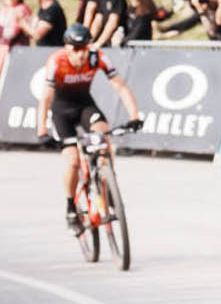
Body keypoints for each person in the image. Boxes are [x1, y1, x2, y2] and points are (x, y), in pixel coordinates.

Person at [36, 24, 144, 231]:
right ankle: (70, 205)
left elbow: (120, 86)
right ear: (67, 49)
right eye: (75, 50)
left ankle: (108, 181)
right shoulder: (56, 62)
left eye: (83, 48)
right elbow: (46, 98)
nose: (80, 55)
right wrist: (41, 130)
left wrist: (135, 116)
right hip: (62, 112)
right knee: (73, 162)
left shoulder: (98, 58)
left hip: (85, 105)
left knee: (103, 135)